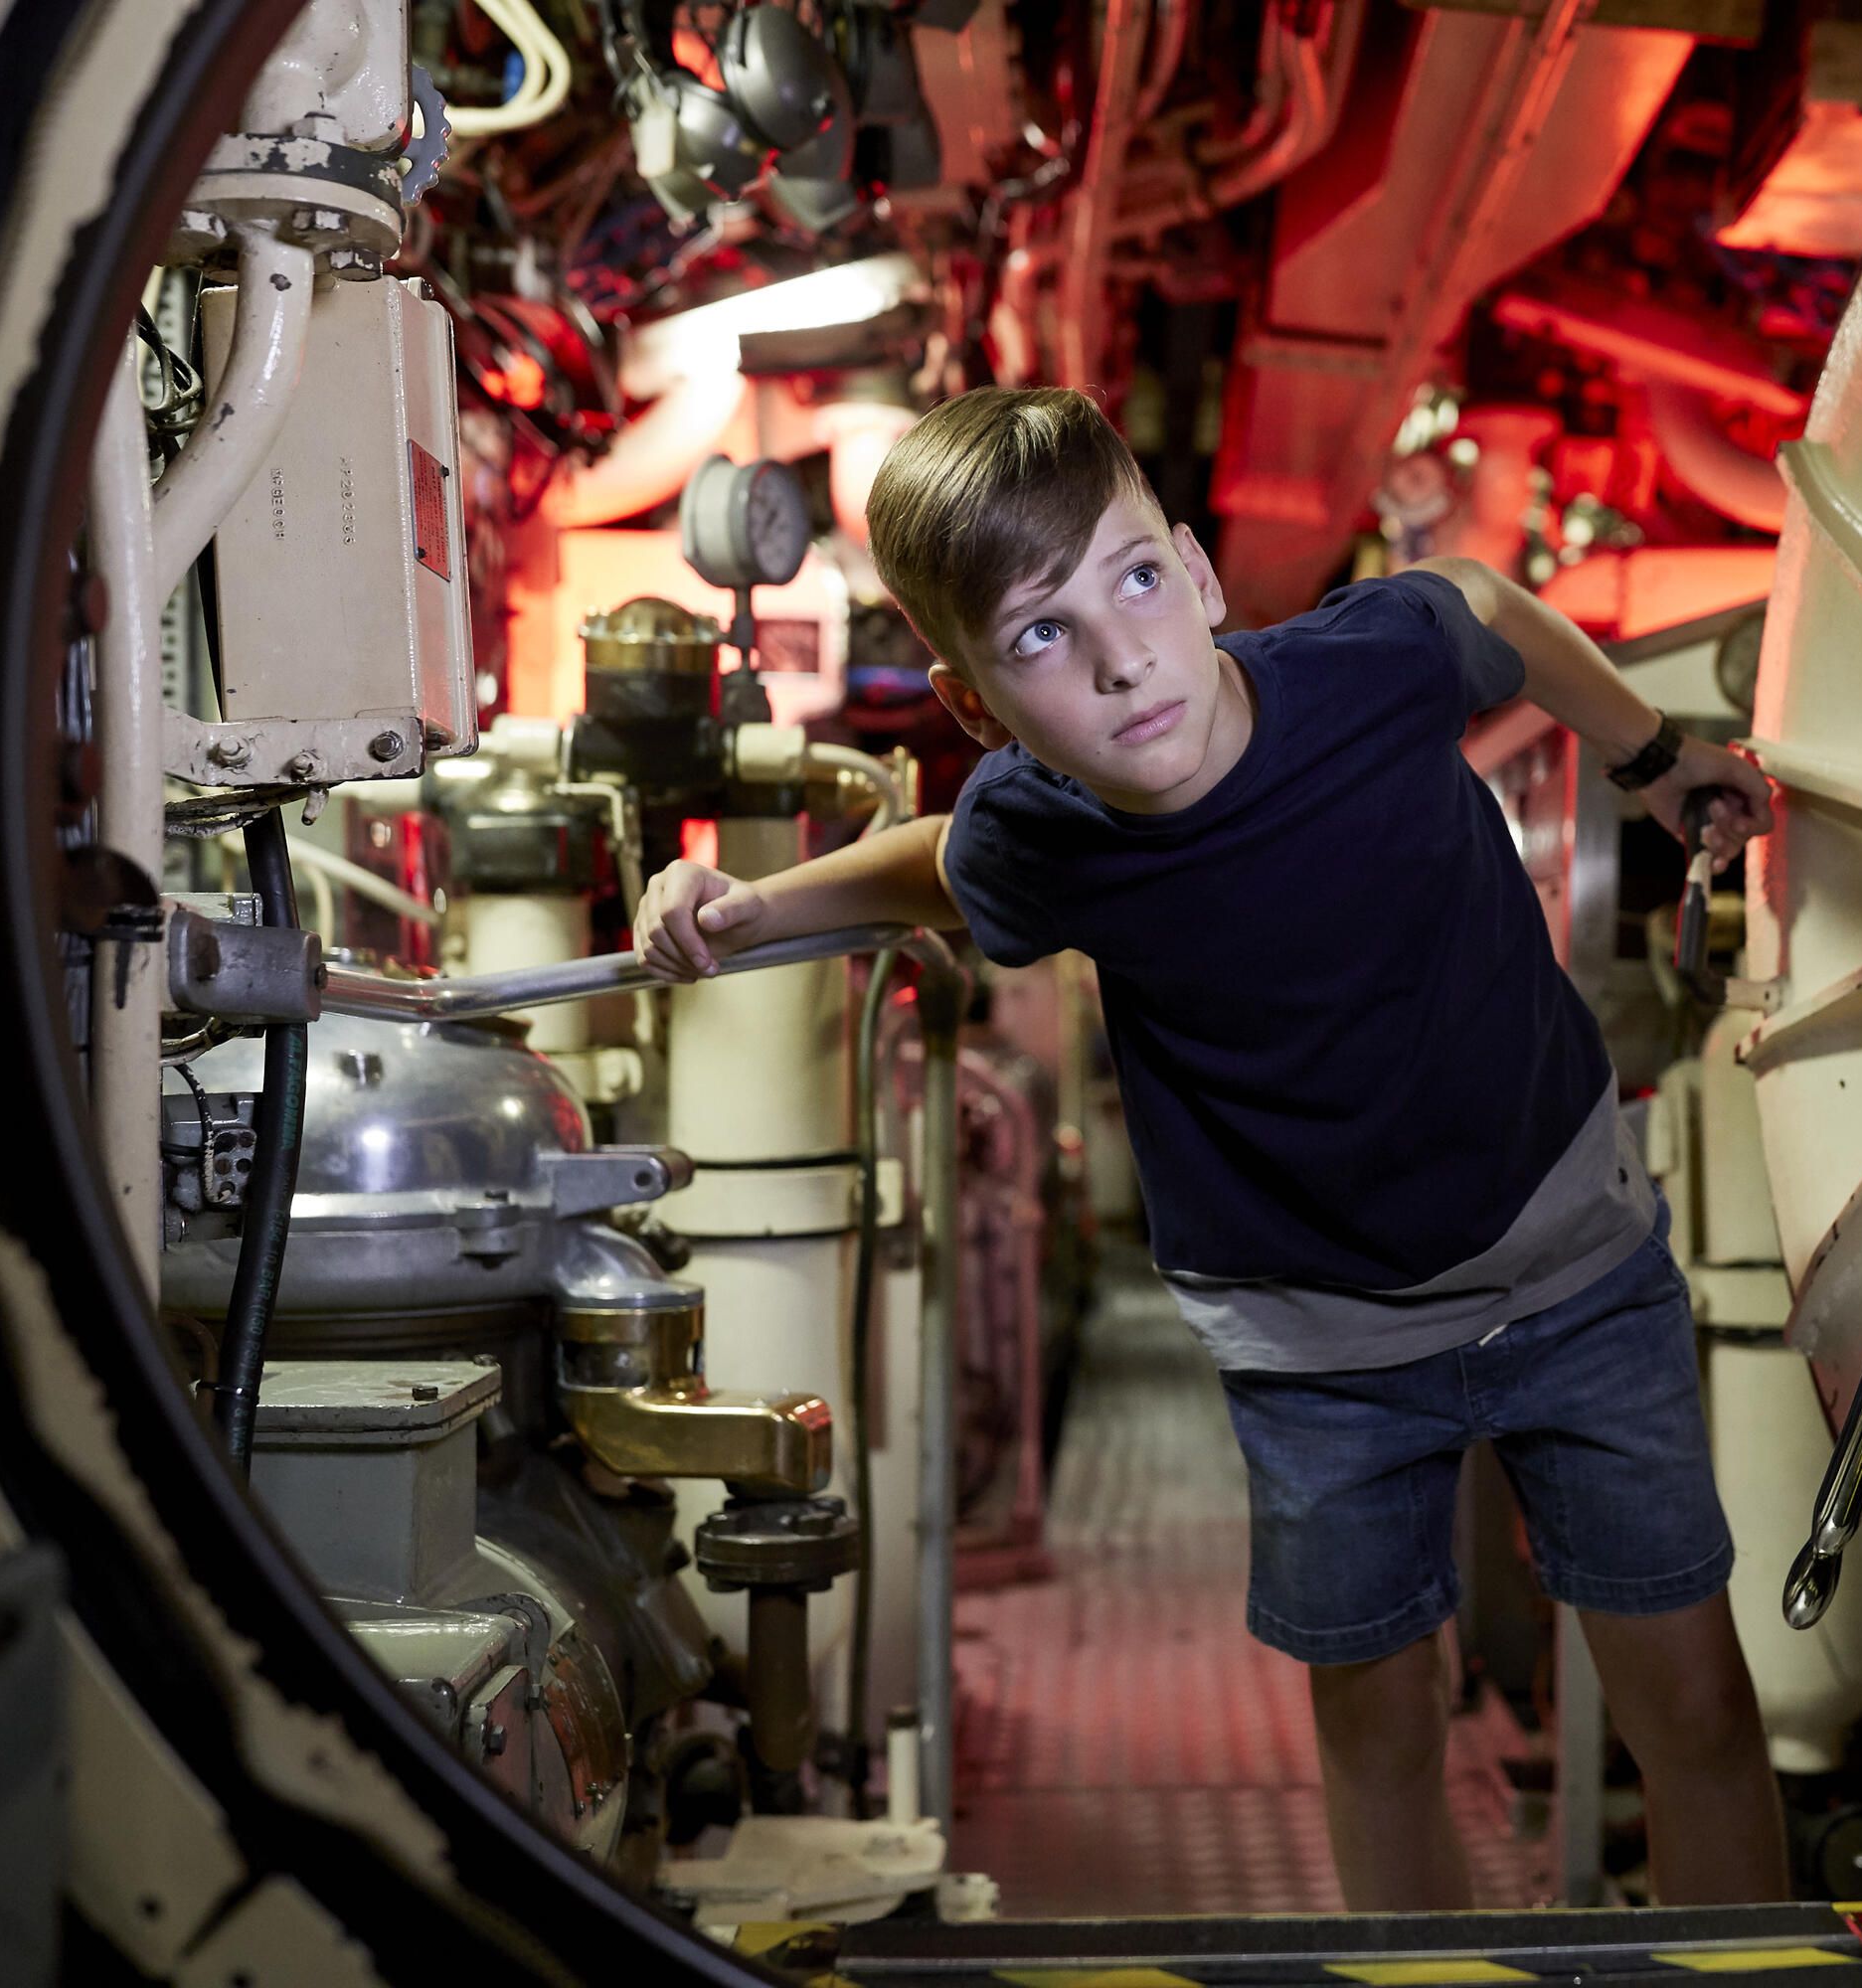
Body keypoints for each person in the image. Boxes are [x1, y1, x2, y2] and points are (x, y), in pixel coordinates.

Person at [633, 387, 1786, 1908]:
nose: (1121, 660)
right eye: (1039, 637)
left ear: (1198, 570)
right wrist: (754, 904)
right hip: (1317, 1357)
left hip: (1572, 1278)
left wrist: (1651, 759)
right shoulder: (1035, 828)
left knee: (1693, 1707)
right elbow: (942, 862)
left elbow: (1493, 603)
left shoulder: (1375, 669)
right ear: (980, 707)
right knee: (1381, 1730)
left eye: (1133, 581)